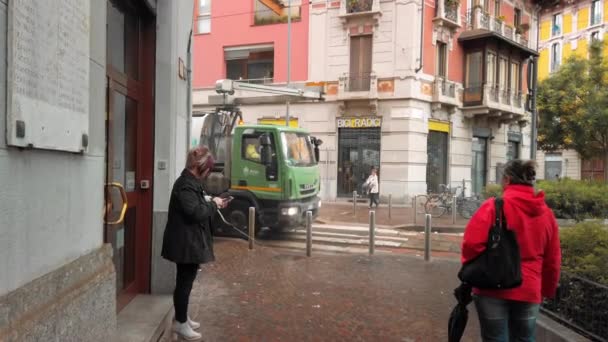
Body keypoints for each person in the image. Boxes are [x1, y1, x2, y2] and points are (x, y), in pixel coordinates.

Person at [461, 160, 561, 342]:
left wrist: (475, 271)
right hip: (529, 288)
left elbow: (471, 245)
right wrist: (546, 290)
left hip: (491, 287)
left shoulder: (493, 207)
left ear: (507, 180)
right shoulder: (546, 214)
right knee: (525, 338)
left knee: (495, 338)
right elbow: (553, 259)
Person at [161, 146, 228, 341]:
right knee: (184, 283)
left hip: (188, 241)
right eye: (208, 170)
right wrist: (213, 204)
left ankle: (182, 318)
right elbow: (195, 213)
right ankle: (180, 324)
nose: (208, 174)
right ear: (201, 168)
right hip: (185, 243)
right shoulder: (185, 184)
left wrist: (208, 200)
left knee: (186, 281)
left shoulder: (190, 183)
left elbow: (193, 205)